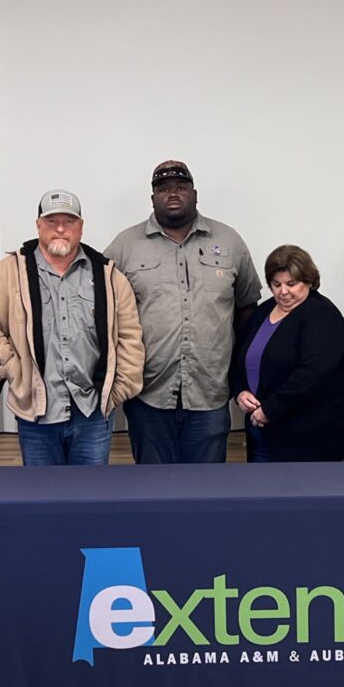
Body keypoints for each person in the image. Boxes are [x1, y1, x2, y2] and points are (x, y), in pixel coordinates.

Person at [106, 160, 260, 463]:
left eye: (180, 187)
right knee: (153, 490)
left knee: (207, 491)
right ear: (153, 199)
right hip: (147, 393)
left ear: (195, 194)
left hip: (210, 393)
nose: (172, 194)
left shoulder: (229, 241)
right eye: (163, 189)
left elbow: (247, 307)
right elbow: (105, 314)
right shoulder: (125, 246)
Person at [0, 189, 144, 465]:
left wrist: (117, 391)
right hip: (37, 416)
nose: (60, 229)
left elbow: (130, 339)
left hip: (92, 414)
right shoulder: (8, 272)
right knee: (42, 501)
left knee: (90, 500)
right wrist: (17, 374)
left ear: (81, 225)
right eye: (52, 221)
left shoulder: (109, 276)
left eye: (69, 221)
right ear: (38, 225)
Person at [230, 245, 344, 463]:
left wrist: (270, 409)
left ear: (309, 281)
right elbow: (242, 357)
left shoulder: (322, 315)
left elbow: (312, 374)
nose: (283, 292)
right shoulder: (264, 311)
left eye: (292, 284)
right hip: (263, 430)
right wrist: (240, 391)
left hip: (309, 436)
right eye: (276, 284)